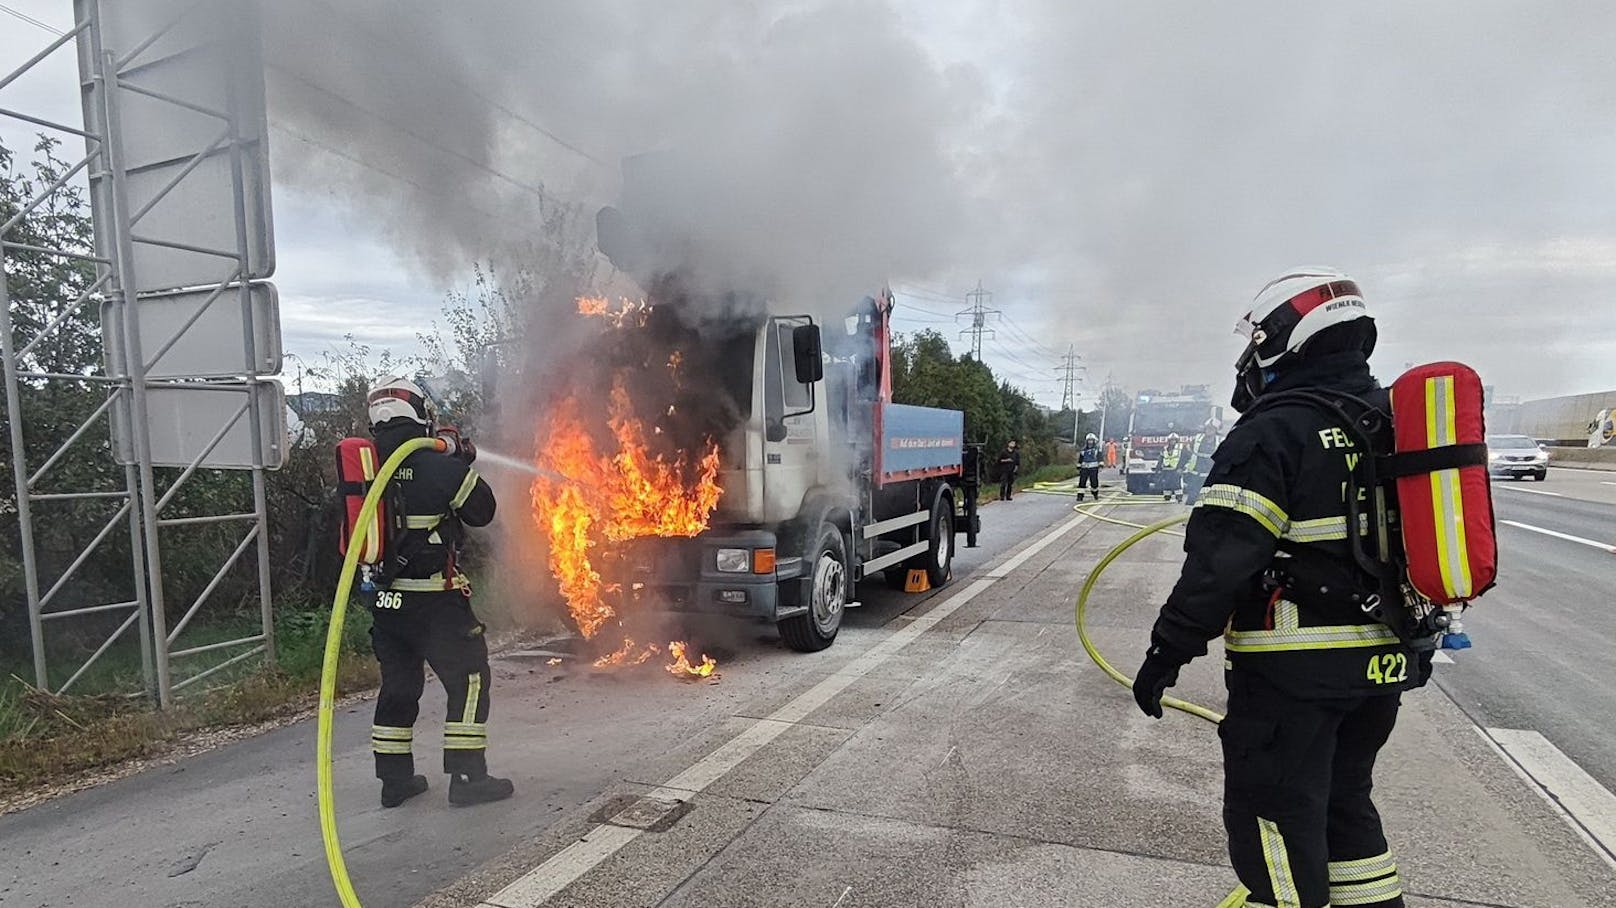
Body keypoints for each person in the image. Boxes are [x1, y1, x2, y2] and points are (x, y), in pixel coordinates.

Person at [1132, 268, 1421, 908]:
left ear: (1287, 337)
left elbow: (1221, 562)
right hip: (1381, 668)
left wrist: (1165, 654)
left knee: (1273, 828)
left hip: (1293, 677)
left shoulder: (1275, 431)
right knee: (1346, 811)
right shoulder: (1392, 423)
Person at [365, 376, 515, 808]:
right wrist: (461, 459)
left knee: (397, 686)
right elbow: (482, 511)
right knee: (468, 680)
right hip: (436, 602)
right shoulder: (438, 464)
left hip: (385, 603)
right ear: (419, 412)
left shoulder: (364, 466)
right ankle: (468, 777)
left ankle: (394, 782)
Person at [1157, 432, 1185, 500]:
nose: (1172, 442)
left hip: (1176, 468)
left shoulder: (1180, 448)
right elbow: (1161, 458)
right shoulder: (1165, 448)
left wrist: (1181, 467)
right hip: (1166, 469)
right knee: (1166, 483)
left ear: (1177, 441)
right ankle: (1167, 496)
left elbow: (1183, 458)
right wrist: (1158, 468)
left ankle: (1179, 496)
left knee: (1177, 483)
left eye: (1174, 440)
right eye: (1171, 440)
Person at [1077, 433, 1103, 500]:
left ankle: (1095, 494)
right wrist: (1079, 467)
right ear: (1087, 441)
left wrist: (1100, 466)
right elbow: (1080, 459)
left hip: (1093, 468)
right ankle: (1080, 496)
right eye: (1089, 440)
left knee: (1094, 482)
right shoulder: (1083, 450)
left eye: (1091, 440)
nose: (1090, 442)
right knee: (1082, 482)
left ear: (1094, 441)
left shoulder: (1097, 449)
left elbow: (1100, 458)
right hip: (1084, 468)